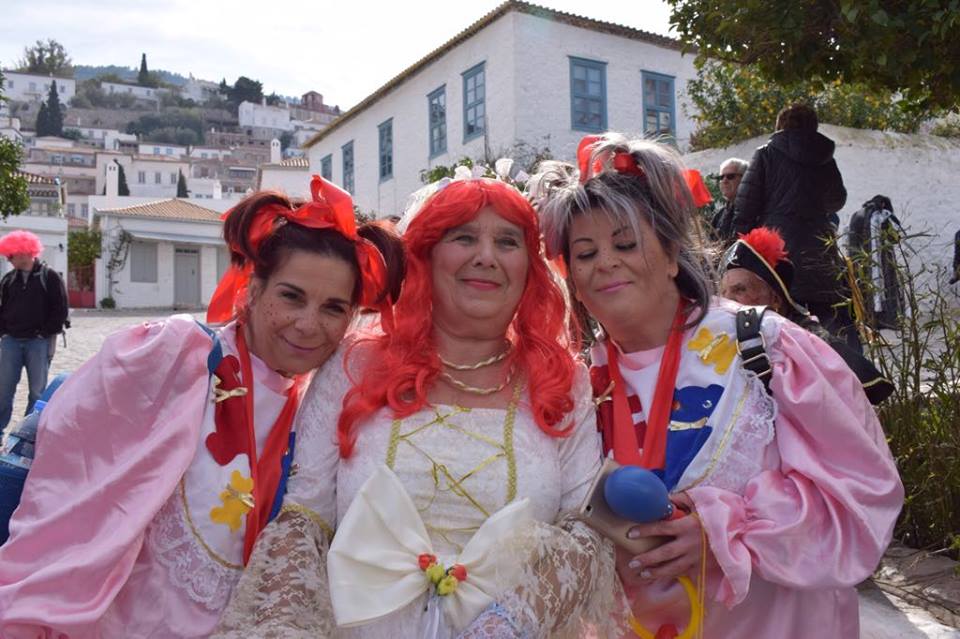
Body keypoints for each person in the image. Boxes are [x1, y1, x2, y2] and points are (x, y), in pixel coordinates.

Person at [215, 174, 627, 638]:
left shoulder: (564, 381)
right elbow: (303, 519)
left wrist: (508, 624)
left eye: (507, 242)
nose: (485, 256)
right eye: (463, 237)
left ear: (529, 267)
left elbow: (582, 531)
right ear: (425, 255)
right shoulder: (354, 364)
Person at [532, 132, 903, 638]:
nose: (605, 262)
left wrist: (724, 531)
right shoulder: (576, 383)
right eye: (585, 253)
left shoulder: (766, 346)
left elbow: (861, 495)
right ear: (571, 276)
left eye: (625, 243)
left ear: (671, 254)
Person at [0, 176, 404, 638]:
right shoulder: (174, 355)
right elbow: (70, 497)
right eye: (291, 296)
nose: (308, 324)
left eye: (333, 308)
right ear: (253, 288)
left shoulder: (318, 406)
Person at [733, 103, 859, 351]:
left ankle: (790, 367)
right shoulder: (825, 158)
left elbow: (745, 206)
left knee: (780, 315)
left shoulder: (766, 154)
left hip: (777, 248)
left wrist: (739, 249)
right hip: (819, 246)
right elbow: (836, 200)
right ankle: (840, 366)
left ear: (780, 124)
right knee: (828, 316)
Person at [719, 226, 894, 405]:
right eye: (723, 292)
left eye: (740, 290)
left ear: (775, 299)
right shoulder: (720, 333)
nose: (727, 300)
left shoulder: (806, 338)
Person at [0, 231, 68, 431]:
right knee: (3, 390)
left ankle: (26, 432)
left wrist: (44, 333)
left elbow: (60, 309)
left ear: (24, 253)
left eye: (11, 256)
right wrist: (3, 332)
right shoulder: (8, 280)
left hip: (38, 342)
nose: (9, 260)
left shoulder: (50, 277)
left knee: (37, 392)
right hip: (11, 341)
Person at [709, 158, 747, 243]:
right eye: (721, 177)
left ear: (745, 178)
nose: (724, 180)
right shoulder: (718, 216)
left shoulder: (755, 211)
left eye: (730, 176)